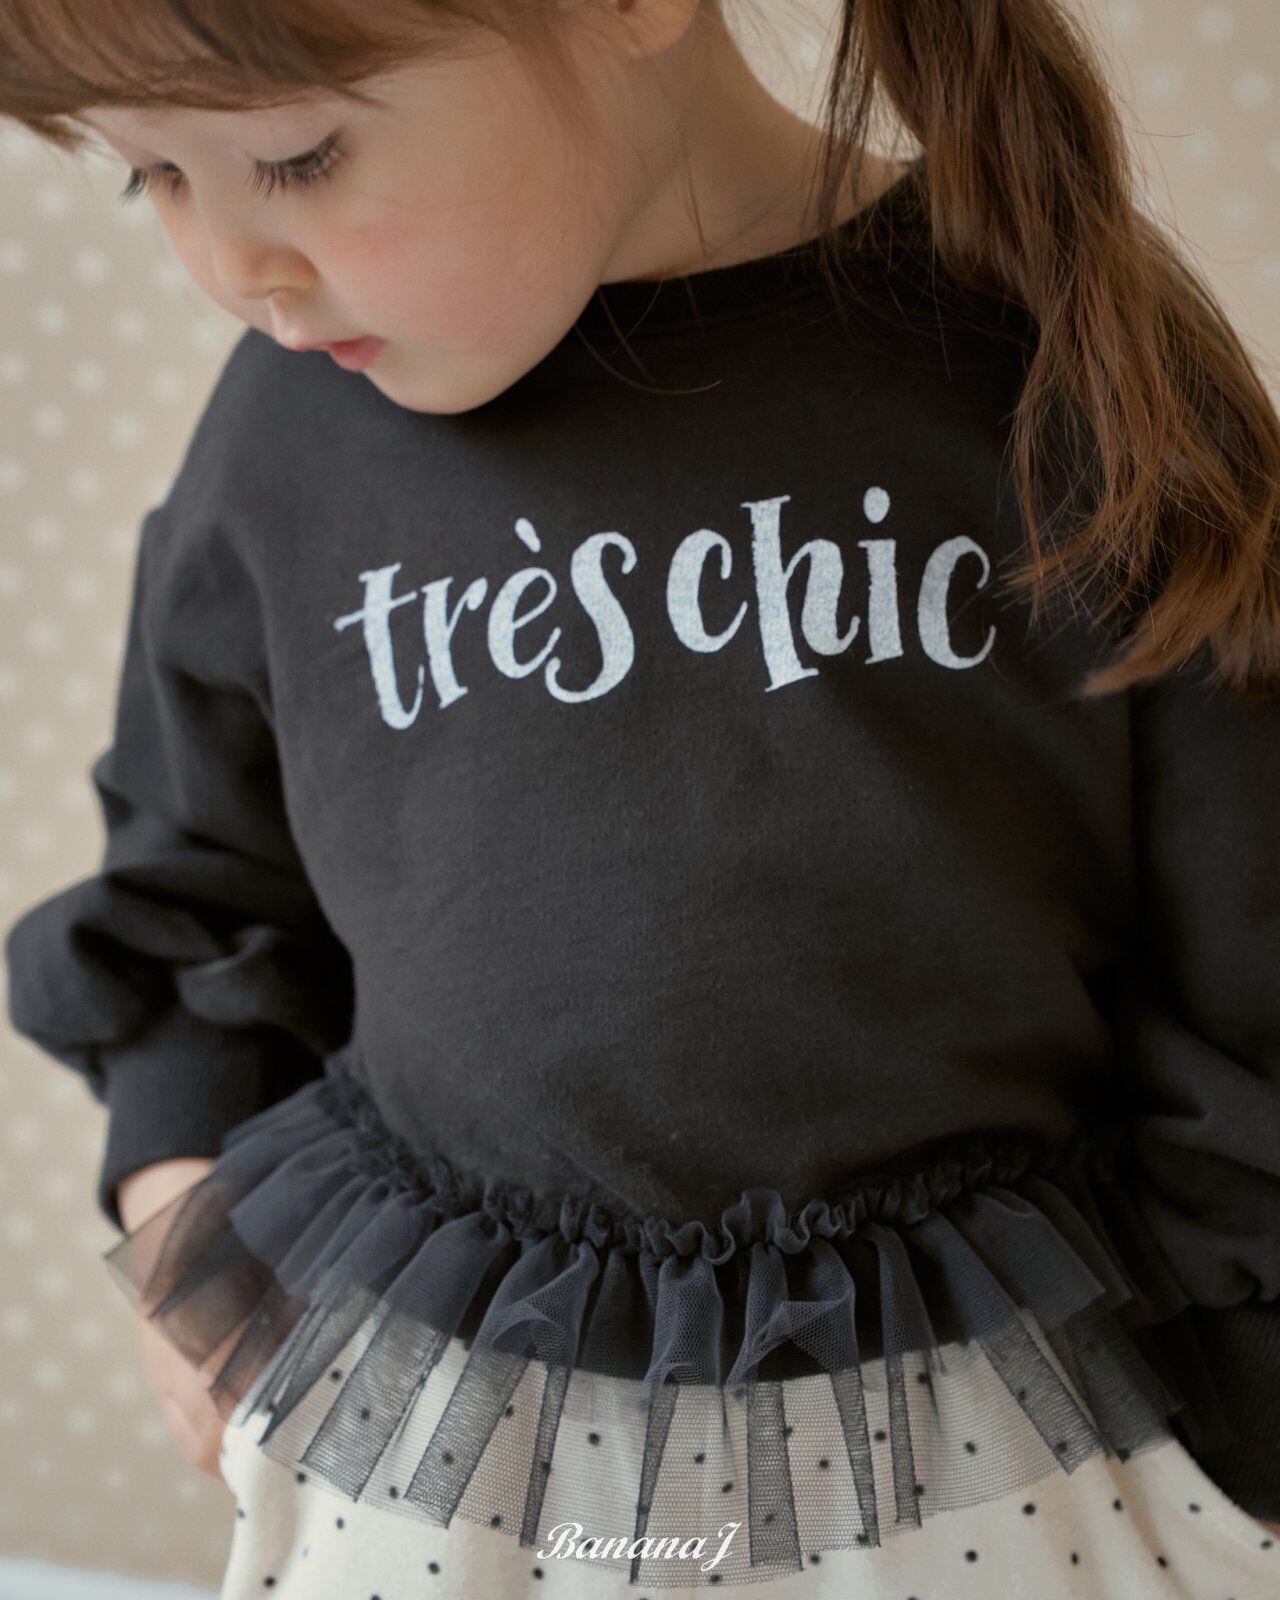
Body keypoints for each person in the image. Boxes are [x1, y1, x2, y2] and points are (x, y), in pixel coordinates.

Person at [2, 1, 1277, 1595]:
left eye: (297, 158)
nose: (231, 269)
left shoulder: (1053, 353)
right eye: (155, 178)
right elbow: (197, 869)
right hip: (458, 1442)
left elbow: (1250, 951)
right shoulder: (286, 426)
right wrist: (177, 1186)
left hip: (977, 1445)